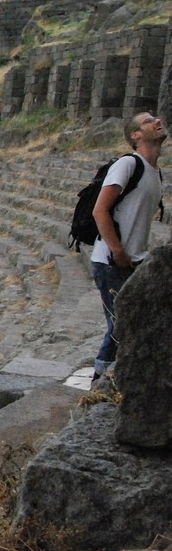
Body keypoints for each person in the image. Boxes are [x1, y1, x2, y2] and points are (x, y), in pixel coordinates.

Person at [90, 111, 166, 384]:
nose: (157, 121)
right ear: (136, 135)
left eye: (156, 118)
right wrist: (118, 251)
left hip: (135, 261)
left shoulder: (155, 172)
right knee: (119, 327)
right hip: (111, 262)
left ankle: (119, 381)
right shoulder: (127, 165)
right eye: (148, 121)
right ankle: (99, 385)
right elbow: (100, 211)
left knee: (131, 324)